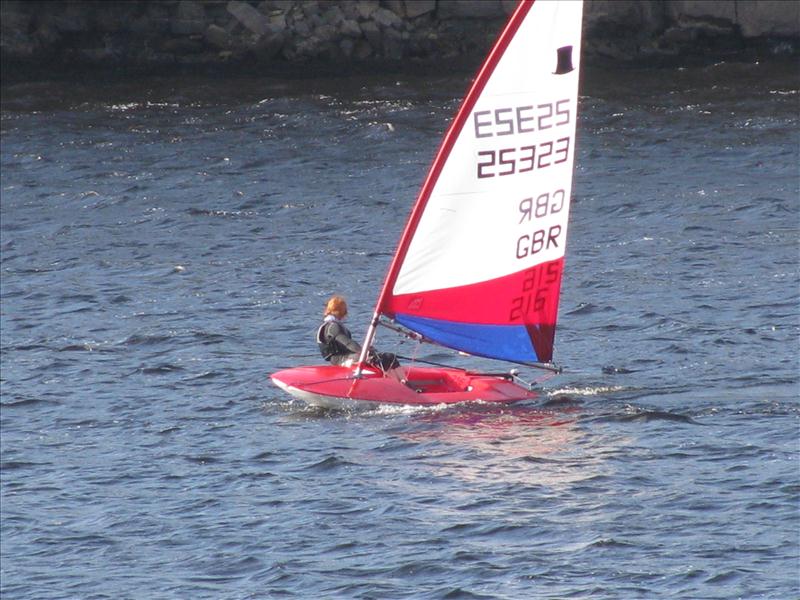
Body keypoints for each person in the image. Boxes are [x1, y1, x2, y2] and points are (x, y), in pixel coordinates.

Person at [317, 295, 398, 370]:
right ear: (341, 310)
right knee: (382, 358)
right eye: (345, 309)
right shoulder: (333, 327)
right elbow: (348, 343)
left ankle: (396, 379)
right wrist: (363, 351)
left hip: (344, 357)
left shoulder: (331, 324)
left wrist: (366, 350)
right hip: (339, 360)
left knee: (389, 357)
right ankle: (399, 380)